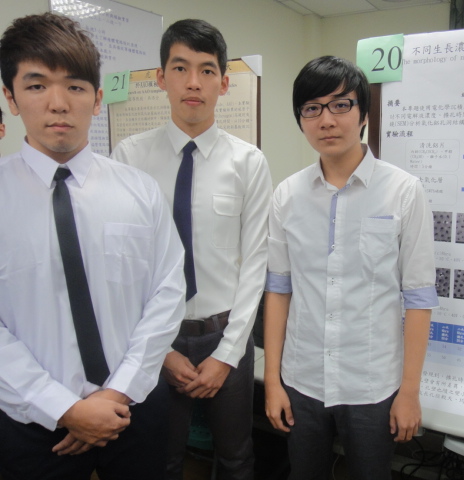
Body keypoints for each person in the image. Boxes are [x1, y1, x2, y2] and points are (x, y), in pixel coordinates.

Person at [0, 12, 186, 480]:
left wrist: (116, 394)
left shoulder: (139, 190)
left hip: (135, 406)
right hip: (30, 421)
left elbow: (167, 293)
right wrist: (64, 408)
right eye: (37, 85)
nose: (58, 103)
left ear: (98, 98)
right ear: (10, 98)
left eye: (76, 86)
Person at [263, 56, 439, 480]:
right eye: (312, 108)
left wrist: (409, 392)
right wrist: (272, 382)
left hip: (372, 383)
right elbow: (279, 290)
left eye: (340, 105)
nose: (326, 120)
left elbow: (418, 297)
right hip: (302, 378)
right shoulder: (287, 195)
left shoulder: (403, 191)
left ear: (363, 113)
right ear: (301, 119)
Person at [112, 18, 272, 480]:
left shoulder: (248, 162)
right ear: (161, 78)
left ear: (224, 82)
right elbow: (125, 268)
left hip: (226, 333)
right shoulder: (130, 158)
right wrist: (161, 350)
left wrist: (227, 353)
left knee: (237, 457)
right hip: (153, 337)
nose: (193, 82)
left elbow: (255, 263)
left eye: (207, 70)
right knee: (159, 458)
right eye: (180, 68)